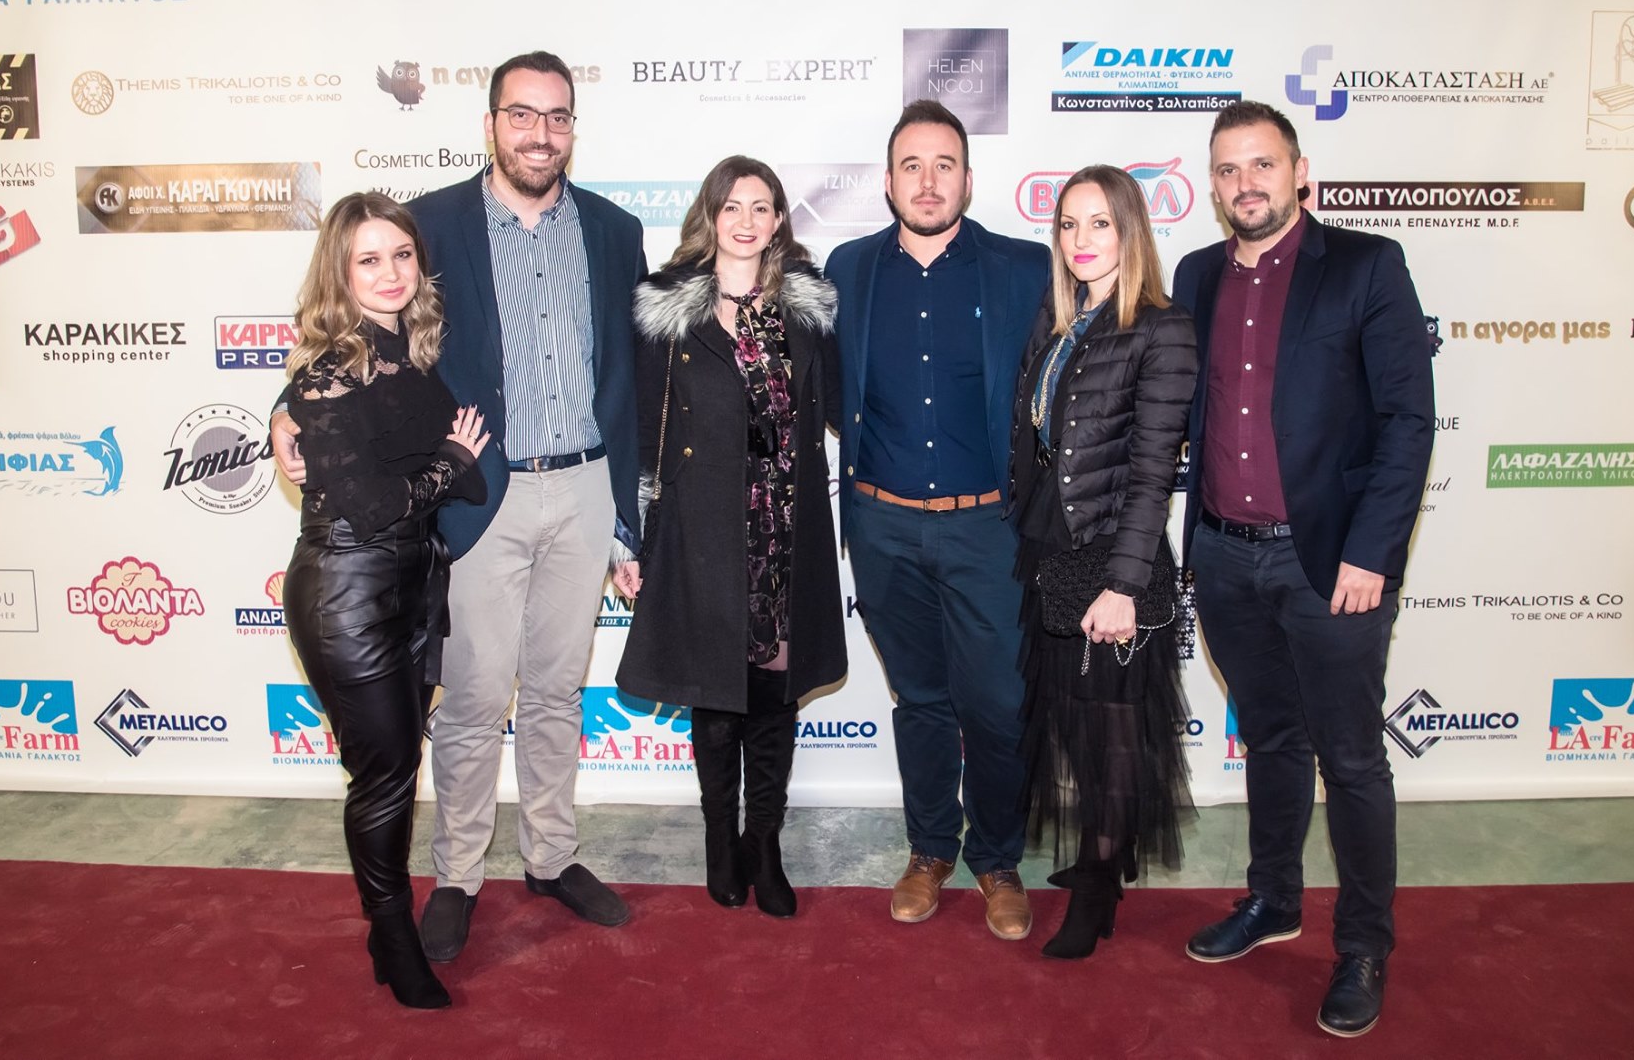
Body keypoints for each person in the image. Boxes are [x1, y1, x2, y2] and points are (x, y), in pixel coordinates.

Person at [273, 52, 647, 962]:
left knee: (557, 691)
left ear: (573, 128)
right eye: (522, 115)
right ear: (490, 125)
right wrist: (287, 406)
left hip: (586, 486)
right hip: (483, 495)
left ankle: (552, 857)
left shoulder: (614, 230)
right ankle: (459, 875)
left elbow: (633, 374)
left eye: (557, 117)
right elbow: (356, 329)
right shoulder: (430, 225)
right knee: (475, 697)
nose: (540, 134)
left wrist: (627, 515)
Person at [1174, 101, 1434, 1038]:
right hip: (1223, 555)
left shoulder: (1366, 265)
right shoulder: (1197, 276)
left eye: (1262, 164)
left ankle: (1363, 946)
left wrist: (1371, 552)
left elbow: (1407, 421)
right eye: (1228, 169)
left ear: (1299, 172)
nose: (1246, 183)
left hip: (1329, 563)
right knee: (1272, 740)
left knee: (1353, 759)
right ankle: (1273, 899)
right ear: (1213, 186)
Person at [824, 99, 1051, 940]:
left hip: (988, 528)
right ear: (888, 183)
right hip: (882, 526)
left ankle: (997, 858)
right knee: (920, 698)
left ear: (968, 178)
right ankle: (929, 850)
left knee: (996, 703)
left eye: (943, 165)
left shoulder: (1024, 269)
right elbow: (826, 389)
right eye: (912, 167)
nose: (927, 182)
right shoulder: (847, 269)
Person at [612, 156, 845, 918]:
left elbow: (842, 406)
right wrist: (630, 538)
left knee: (775, 697)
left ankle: (764, 843)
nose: (746, 221)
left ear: (779, 221)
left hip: (786, 532)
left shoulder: (807, 310)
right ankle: (721, 838)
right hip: (701, 531)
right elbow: (643, 430)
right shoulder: (667, 310)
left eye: (762, 207)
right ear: (710, 216)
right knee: (715, 699)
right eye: (732, 206)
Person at [279, 192, 489, 1009]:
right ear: (339, 271)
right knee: (386, 775)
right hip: (347, 591)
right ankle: (394, 937)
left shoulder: (411, 351)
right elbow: (371, 506)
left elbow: (419, 475)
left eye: (401, 254)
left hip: (408, 586)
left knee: (396, 768)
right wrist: (450, 463)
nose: (390, 272)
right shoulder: (328, 371)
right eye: (368, 259)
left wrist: (445, 469)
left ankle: (386, 927)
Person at [1007, 166, 1198, 959]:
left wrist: (1123, 584)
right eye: (1068, 224)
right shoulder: (1060, 322)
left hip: (1116, 560)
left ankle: (1096, 888)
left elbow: (1153, 472)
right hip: (1053, 550)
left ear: (1131, 232)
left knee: (1115, 731)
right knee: (1075, 727)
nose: (1081, 240)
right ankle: (1103, 857)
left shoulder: (1161, 327)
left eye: (1100, 224)